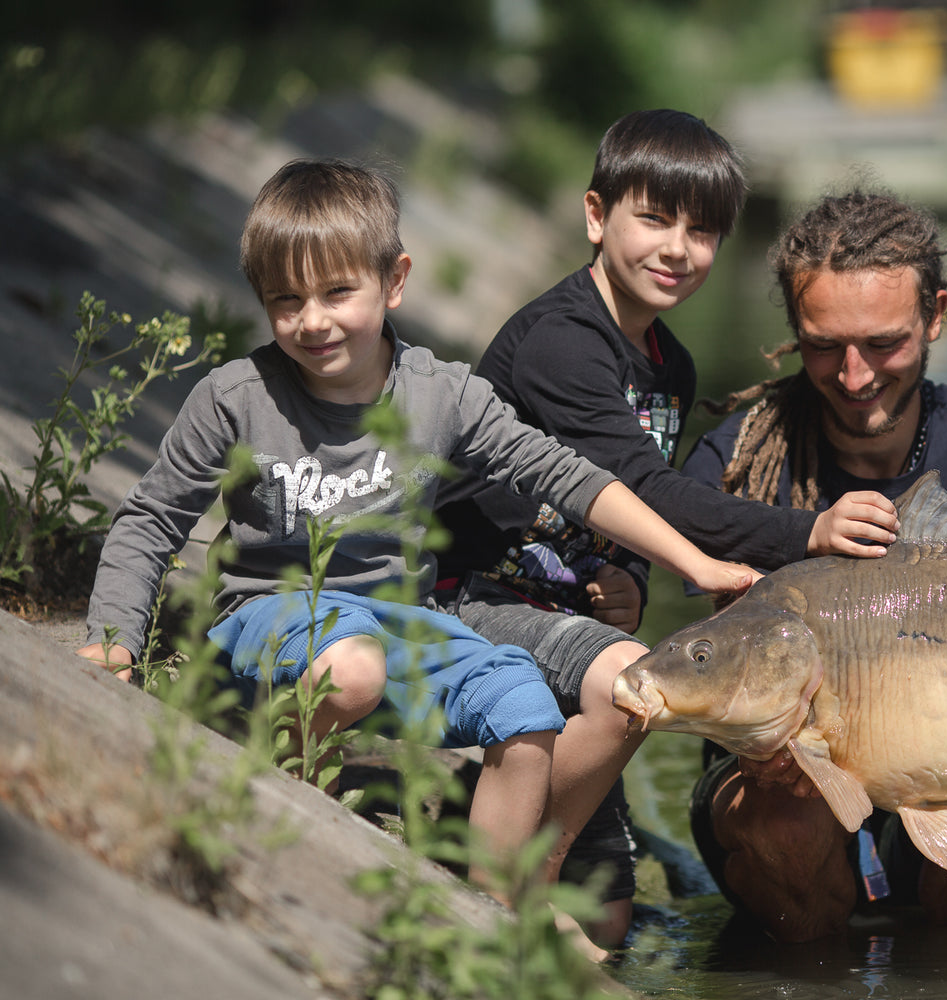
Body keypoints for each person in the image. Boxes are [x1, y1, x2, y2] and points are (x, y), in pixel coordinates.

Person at [73, 158, 757, 960]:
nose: (312, 321)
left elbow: (565, 476)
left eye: (336, 294)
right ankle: (273, 800)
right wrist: (114, 638)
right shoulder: (236, 396)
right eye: (285, 301)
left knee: (525, 703)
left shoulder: (442, 394)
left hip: (404, 621)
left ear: (394, 281)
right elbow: (152, 519)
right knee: (353, 667)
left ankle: (496, 911)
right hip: (265, 619)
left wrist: (697, 565)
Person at [433, 110, 897, 946]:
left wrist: (633, 581)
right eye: (654, 218)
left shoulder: (670, 366)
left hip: (565, 618)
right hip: (470, 600)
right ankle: (514, 877)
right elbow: (644, 483)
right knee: (633, 684)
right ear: (595, 216)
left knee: (607, 926)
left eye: (703, 231)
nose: (677, 248)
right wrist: (806, 533)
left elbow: (626, 517)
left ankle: (515, 826)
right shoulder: (560, 343)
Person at [681, 190, 947, 943]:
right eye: (823, 346)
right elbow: (724, 670)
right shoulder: (732, 469)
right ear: (793, 331)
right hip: (778, 776)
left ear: (936, 315)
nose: (854, 376)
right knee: (786, 814)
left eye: (883, 343)